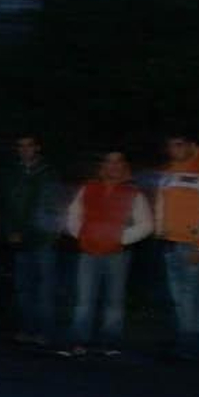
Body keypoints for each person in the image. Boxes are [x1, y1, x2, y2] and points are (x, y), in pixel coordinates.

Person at [61, 151, 153, 356]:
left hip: (118, 254)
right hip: (88, 252)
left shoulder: (134, 193)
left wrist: (119, 238)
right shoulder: (89, 188)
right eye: (109, 162)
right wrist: (82, 235)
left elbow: (146, 224)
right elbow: (73, 214)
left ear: (124, 166)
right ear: (103, 166)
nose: (113, 166)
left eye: (117, 162)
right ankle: (78, 341)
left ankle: (110, 342)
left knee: (114, 301)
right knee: (84, 300)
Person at [154, 133, 199, 360]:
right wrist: (160, 231)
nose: (173, 150)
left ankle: (192, 344)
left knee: (191, 297)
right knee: (178, 297)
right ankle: (184, 341)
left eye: (178, 145)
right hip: (170, 242)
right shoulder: (168, 172)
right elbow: (161, 204)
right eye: (170, 146)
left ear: (191, 146)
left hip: (192, 244)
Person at [2, 134, 64, 345]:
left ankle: (44, 331)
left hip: (43, 238)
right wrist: (10, 230)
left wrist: (51, 233)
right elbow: (8, 205)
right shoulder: (13, 173)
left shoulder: (48, 173)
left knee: (45, 288)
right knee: (23, 287)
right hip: (20, 239)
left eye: (28, 146)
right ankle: (27, 328)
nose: (24, 149)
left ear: (37, 148)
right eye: (20, 146)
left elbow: (52, 207)